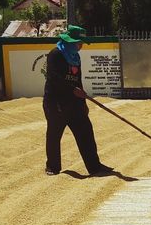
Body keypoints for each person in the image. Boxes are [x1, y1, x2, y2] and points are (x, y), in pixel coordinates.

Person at [42, 25, 113, 176]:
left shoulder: (75, 57)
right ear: (70, 41)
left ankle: (94, 166)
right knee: (54, 134)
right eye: (78, 43)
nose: (81, 46)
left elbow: (77, 81)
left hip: (74, 102)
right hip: (56, 102)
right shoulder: (55, 55)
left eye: (81, 43)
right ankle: (52, 167)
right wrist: (72, 90)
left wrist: (83, 103)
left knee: (86, 132)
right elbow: (55, 79)